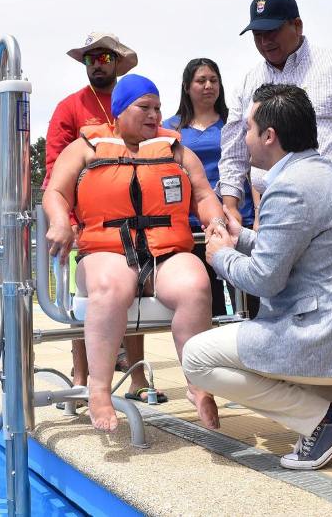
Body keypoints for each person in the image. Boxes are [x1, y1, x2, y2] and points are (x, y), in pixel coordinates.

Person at [183, 84, 332, 470]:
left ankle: (325, 419)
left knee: (197, 357)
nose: (244, 137)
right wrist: (241, 238)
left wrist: (221, 257)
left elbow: (265, 279)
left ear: (270, 135)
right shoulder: (326, 174)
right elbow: (295, 248)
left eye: (248, 128)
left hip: (328, 333)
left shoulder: (290, 187)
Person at [43, 74, 224, 432]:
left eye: (158, 108)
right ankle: (98, 389)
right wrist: (60, 221)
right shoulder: (85, 148)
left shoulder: (176, 150)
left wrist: (215, 220)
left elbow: (203, 195)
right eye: (145, 107)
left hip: (165, 253)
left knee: (195, 285)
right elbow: (56, 193)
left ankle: (198, 385)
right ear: (120, 111)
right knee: (112, 289)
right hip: (106, 251)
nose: (155, 115)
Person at [218, 0, 332, 230]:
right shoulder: (248, 83)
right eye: (258, 34)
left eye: (272, 31)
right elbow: (234, 150)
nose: (265, 41)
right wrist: (231, 204)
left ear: (297, 25)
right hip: (272, 204)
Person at [41, 32, 142, 393]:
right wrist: (65, 222)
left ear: (116, 62)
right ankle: (81, 378)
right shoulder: (69, 107)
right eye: (90, 59)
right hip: (84, 223)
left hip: (132, 217)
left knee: (137, 293)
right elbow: (54, 169)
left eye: (104, 58)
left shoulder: (133, 105)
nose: (97, 64)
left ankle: (138, 378)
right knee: (83, 302)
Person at [163, 58, 259, 318]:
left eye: (213, 80)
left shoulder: (235, 122)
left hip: (238, 218)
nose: (208, 86)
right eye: (201, 80)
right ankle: (213, 357)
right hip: (193, 223)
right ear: (186, 86)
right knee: (206, 300)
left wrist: (258, 215)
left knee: (251, 298)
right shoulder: (169, 128)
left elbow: (252, 168)